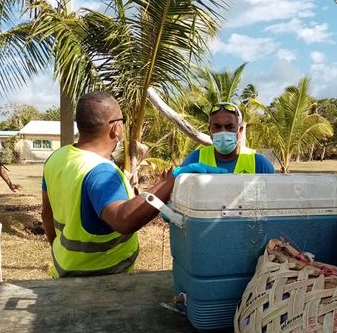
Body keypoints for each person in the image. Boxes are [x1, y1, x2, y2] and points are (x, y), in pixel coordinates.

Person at [41, 91, 224, 278]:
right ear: (115, 128)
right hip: (101, 281)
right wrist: (170, 182)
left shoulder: (57, 158)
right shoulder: (101, 172)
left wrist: (60, 251)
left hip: (63, 271)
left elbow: (46, 215)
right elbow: (123, 219)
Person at [181, 102, 275, 174]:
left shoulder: (259, 163)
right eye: (217, 127)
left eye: (229, 127)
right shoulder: (195, 159)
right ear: (210, 130)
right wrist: (177, 175)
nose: (223, 132)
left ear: (240, 130)